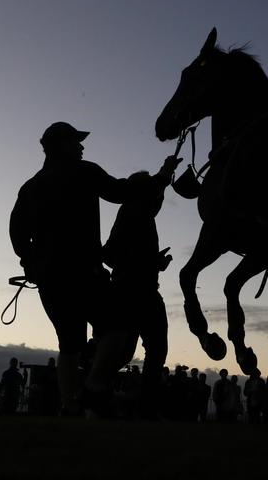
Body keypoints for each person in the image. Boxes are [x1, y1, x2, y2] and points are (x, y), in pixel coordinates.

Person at [9, 121, 181, 415]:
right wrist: (162, 177)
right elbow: (120, 191)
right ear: (63, 144)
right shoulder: (85, 171)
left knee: (69, 344)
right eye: (76, 142)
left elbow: (16, 233)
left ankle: (69, 407)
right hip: (86, 275)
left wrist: (31, 263)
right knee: (117, 330)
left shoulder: (30, 187)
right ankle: (95, 387)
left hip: (51, 280)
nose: (81, 146)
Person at [102, 167, 178, 419]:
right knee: (137, 350)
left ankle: (136, 404)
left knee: (145, 349)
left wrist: (153, 263)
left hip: (139, 289)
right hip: (131, 290)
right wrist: (150, 262)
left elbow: (114, 254)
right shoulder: (133, 212)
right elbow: (110, 253)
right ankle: (97, 394)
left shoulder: (139, 212)